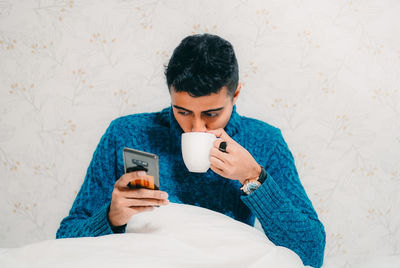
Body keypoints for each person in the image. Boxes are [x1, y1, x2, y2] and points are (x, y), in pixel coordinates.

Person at [56, 34, 326, 267]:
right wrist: (111, 217)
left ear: (236, 94)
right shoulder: (125, 134)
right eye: (182, 111)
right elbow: (65, 241)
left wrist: (254, 178)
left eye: (212, 113)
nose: (196, 127)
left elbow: (311, 252)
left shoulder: (265, 141)